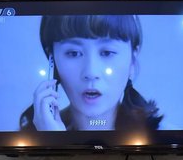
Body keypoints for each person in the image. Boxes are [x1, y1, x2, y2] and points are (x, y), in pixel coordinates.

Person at [19, 14, 163, 132]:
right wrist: (51, 142)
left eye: (107, 52)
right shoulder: (29, 138)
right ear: (53, 60)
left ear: (132, 59)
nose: (91, 72)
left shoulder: (162, 136)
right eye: (74, 53)